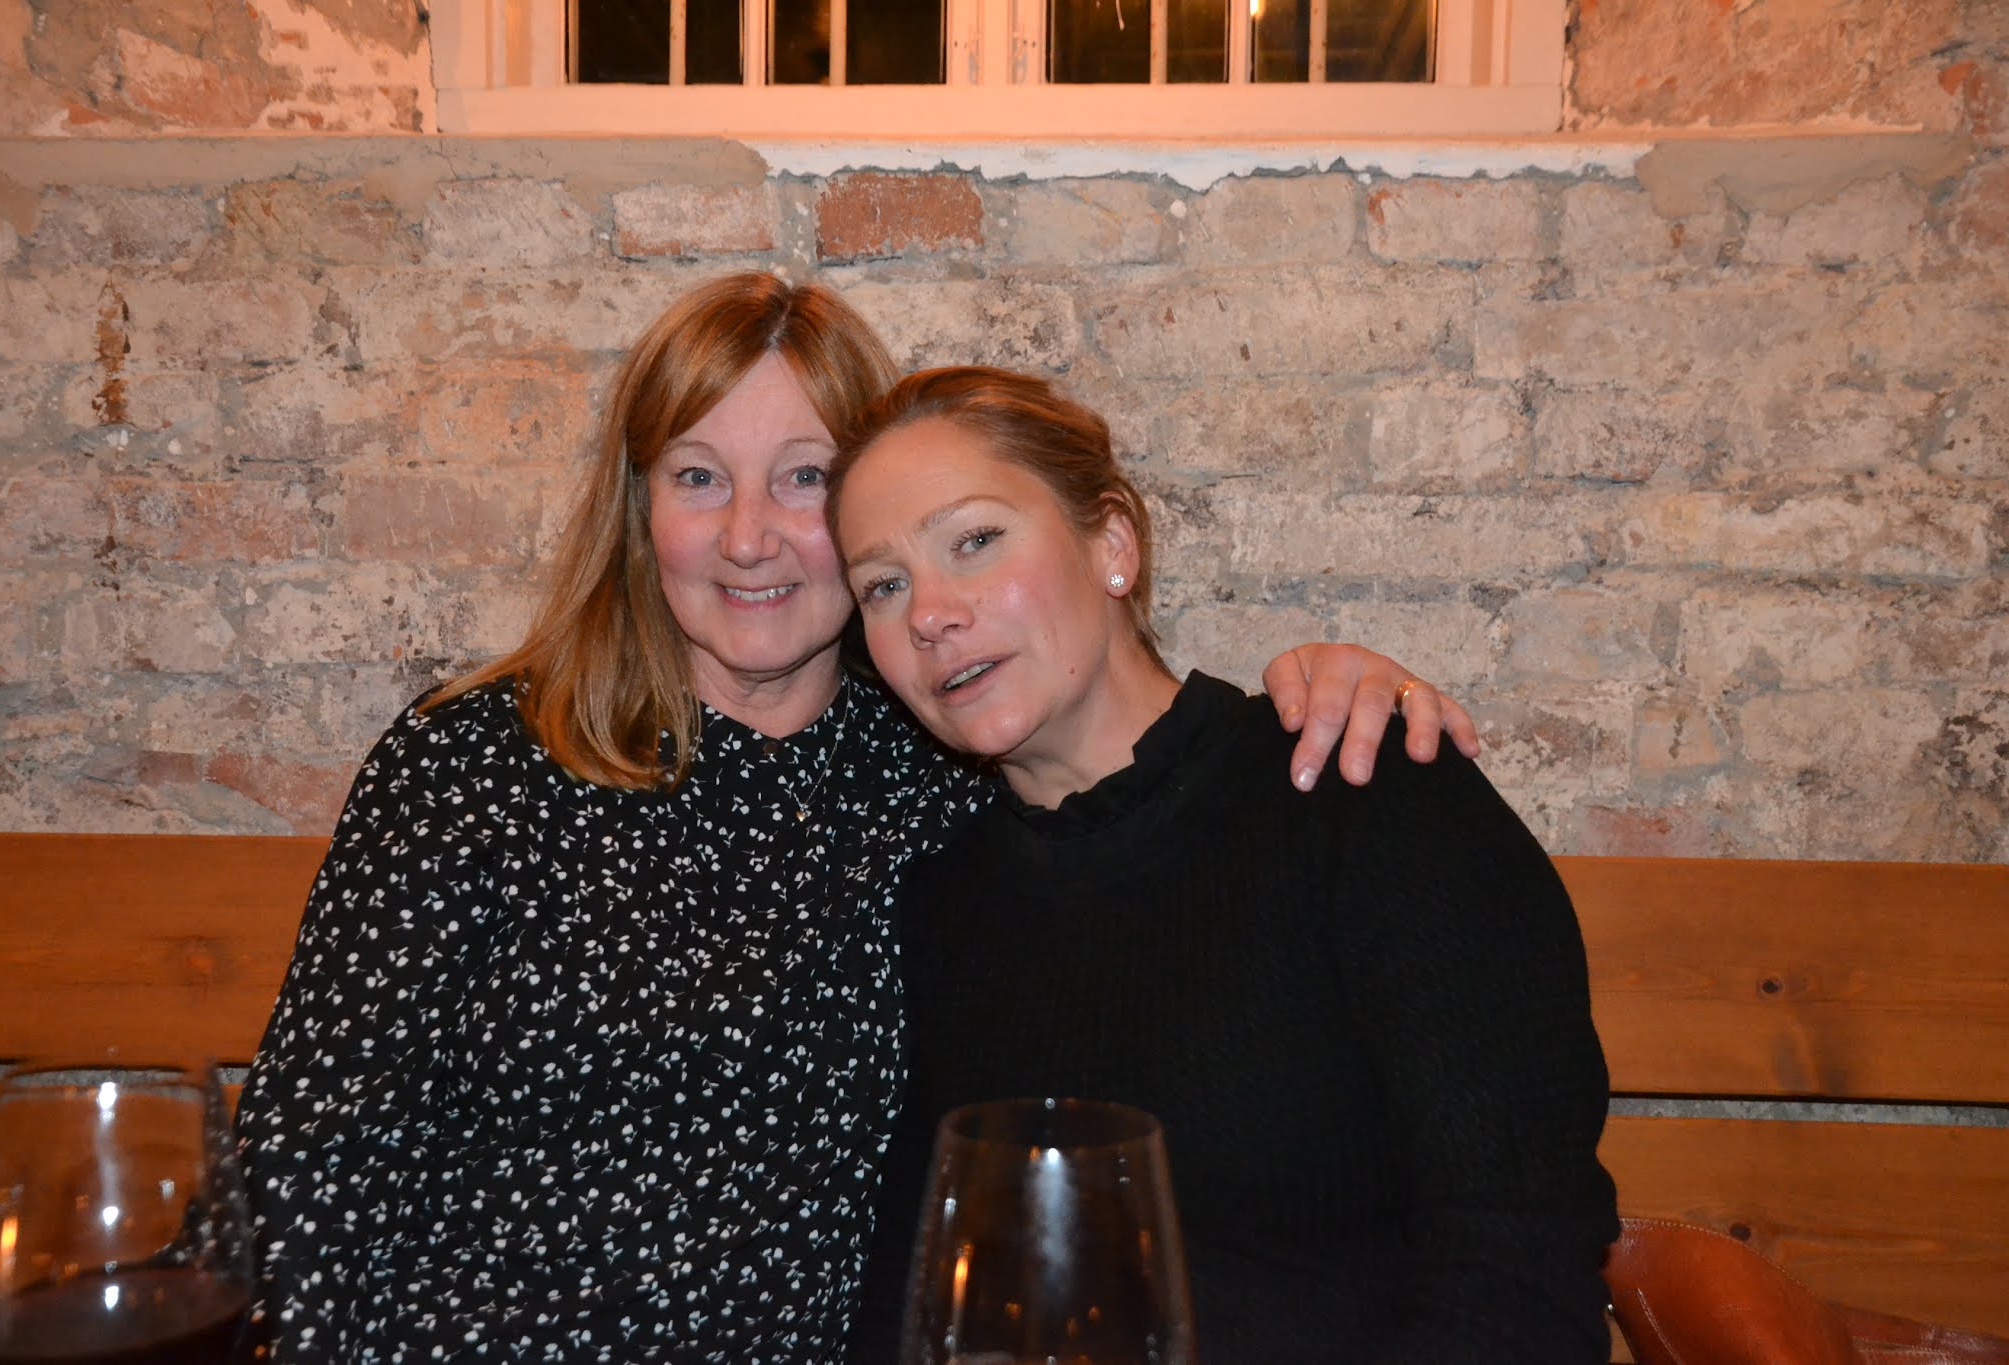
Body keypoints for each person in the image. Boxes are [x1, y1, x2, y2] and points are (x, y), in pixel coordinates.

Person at [234, 273, 1480, 1363]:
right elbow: (304, 1172)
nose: (748, 538)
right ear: (638, 509)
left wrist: (1332, 688)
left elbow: (1152, 806)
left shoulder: (947, 773)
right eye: (697, 477)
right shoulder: (475, 766)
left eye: (804, 479)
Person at [830, 367, 1619, 1363]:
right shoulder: (943, 902)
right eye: (883, 586)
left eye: (974, 540)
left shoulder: (1359, 794)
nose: (929, 614)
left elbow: (1520, 1272)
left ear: (1112, 544)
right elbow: (912, 1301)